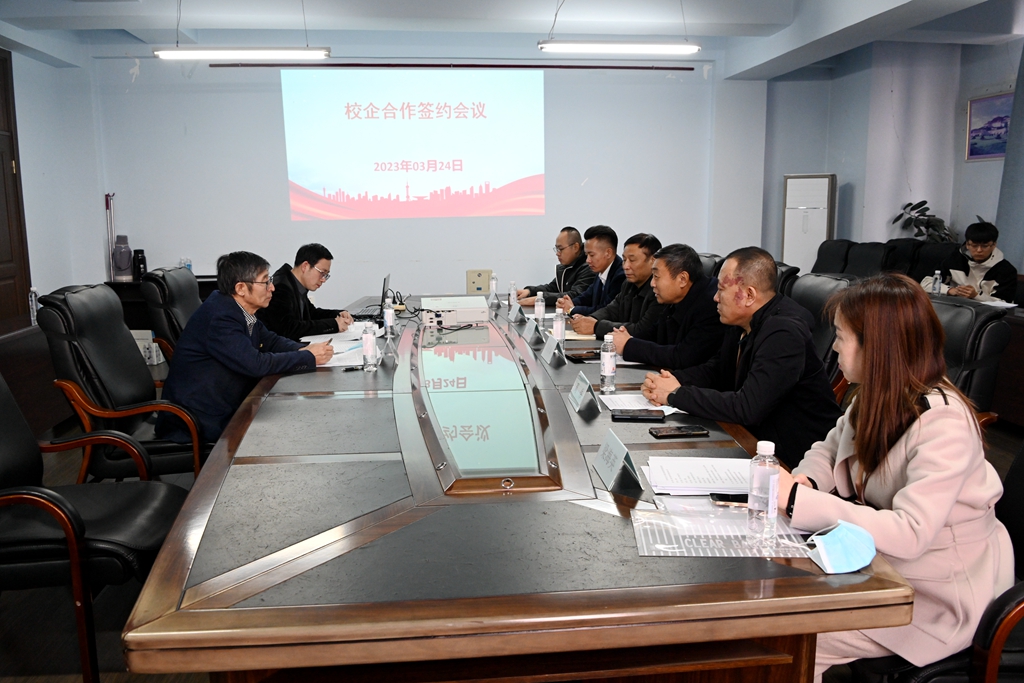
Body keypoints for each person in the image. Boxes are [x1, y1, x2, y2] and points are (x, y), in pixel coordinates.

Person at [775, 273, 1013, 682]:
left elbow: (910, 532)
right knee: (782, 606)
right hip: (887, 570)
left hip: (940, 593)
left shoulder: (945, 422)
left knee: (792, 637)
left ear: (877, 347)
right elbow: (829, 449)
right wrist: (803, 483)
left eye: (841, 337)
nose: (834, 347)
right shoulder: (875, 393)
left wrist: (798, 501)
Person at [641, 247, 841, 468]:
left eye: (721, 289)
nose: (715, 297)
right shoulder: (740, 322)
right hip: (753, 439)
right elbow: (717, 369)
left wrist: (676, 395)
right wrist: (673, 380)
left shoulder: (784, 333)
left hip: (794, 459)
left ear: (749, 295)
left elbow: (748, 408)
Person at [156, 251, 334, 444]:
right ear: (240, 288)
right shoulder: (220, 318)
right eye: (265, 282)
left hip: (228, 404)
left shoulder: (237, 309)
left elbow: (271, 341)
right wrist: (308, 357)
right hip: (200, 420)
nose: (272, 288)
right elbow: (255, 364)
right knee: (292, 429)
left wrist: (305, 349)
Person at [612, 243, 725, 369]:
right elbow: (655, 333)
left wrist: (629, 345)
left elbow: (683, 357)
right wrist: (626, 338)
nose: (652, 284)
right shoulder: (676, 298)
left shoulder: (712, 305)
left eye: (656, 277)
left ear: (682, 279)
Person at [568, 233, 665, 338]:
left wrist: (596, 326)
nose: (626, 266)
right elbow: (611, 310)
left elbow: (642, 330)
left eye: (632, 260)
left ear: (653, 261)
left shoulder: (659, 290)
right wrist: (590, 319)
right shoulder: (628, 284)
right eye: (624, 260)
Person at [257, 243, 354, 341]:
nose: (323, 279)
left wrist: (338, 314)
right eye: (322, 273)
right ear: (305, 266)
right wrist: (334, 324)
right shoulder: (280, 287)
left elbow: (311, 314)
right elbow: (288, 328)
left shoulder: (295, 283)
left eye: (326, 275)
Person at [920, 221, 1017, 303]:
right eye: (974, 245)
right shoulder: (955, 259)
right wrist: (951, 290)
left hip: (987, 313)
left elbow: (1004, 303)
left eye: (985, 246)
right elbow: (925, 284)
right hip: (957, 308)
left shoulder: (1006, 270)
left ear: (994, 245)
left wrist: (976, 296)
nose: (979, 250)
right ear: (967, 244)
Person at [555, 225, 625, 316]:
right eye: (586, 255)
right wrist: (567, 303)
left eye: (591, 255)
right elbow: (587, 296)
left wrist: (572, 309)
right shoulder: (600, 270)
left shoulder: (621, 276)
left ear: (608, 253)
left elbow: (605, 310)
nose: (588, 260)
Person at [517, 227, 596, 307]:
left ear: (575, 247)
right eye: (557, 249)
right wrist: (529, 291)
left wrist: (541, 299)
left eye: (561, 249)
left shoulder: (589, 267)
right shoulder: (567, 267)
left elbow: (575, 295)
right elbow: (552, 288)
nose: (557, 253)